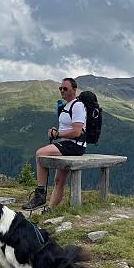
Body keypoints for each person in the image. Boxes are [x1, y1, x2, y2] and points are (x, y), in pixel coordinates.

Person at [22, 77, 86, 211]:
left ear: (74, 90)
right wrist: (56, 131)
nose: (62, 91)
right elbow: (66, 129)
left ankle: (40, 193)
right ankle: (51, 209)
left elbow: (77, 131)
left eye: (65, 88)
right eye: (60, 88)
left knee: (40, 154)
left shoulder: (78, 106)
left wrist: (58, 134)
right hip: (68, 144)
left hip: (74, 145)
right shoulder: (67, 106)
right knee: (58, 180)